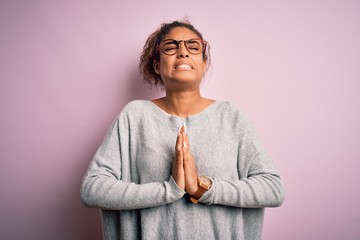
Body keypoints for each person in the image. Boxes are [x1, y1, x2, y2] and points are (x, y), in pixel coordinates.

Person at [81, 20, 285, 240]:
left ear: (203, 62)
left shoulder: (231, 117)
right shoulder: (134, 117)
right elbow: (93, 189)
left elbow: (272, 189)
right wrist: (170, 189)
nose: (183, 53)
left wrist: (203, 189)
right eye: (171, 47)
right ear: (157, 65)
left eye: (193, 47)